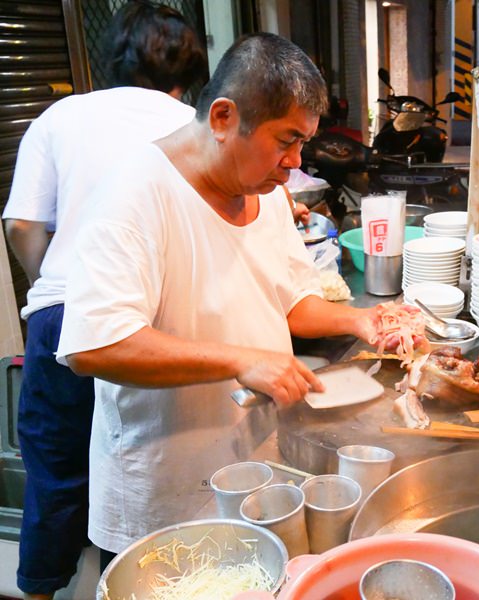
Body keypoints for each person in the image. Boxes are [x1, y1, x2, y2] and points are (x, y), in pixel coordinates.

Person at [56, 33, 416, 564]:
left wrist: (362, 321)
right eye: (285, 140)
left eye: (302, 144)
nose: (294, 163)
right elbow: (95, 347)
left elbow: (291, 299)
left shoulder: (263, 191)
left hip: (256, 468)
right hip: (165, 492)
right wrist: (240, 360)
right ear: (223, 118)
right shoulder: (133, 196)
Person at [1, 2, 206, 598]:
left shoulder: (61, 116)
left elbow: (21, 225)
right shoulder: (196, 122)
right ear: (193, 67)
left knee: (57, 476)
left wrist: (62, 282)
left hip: (62, 319)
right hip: (158, 322)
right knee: (152, 477)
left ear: (108, 57)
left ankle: (41, 590)